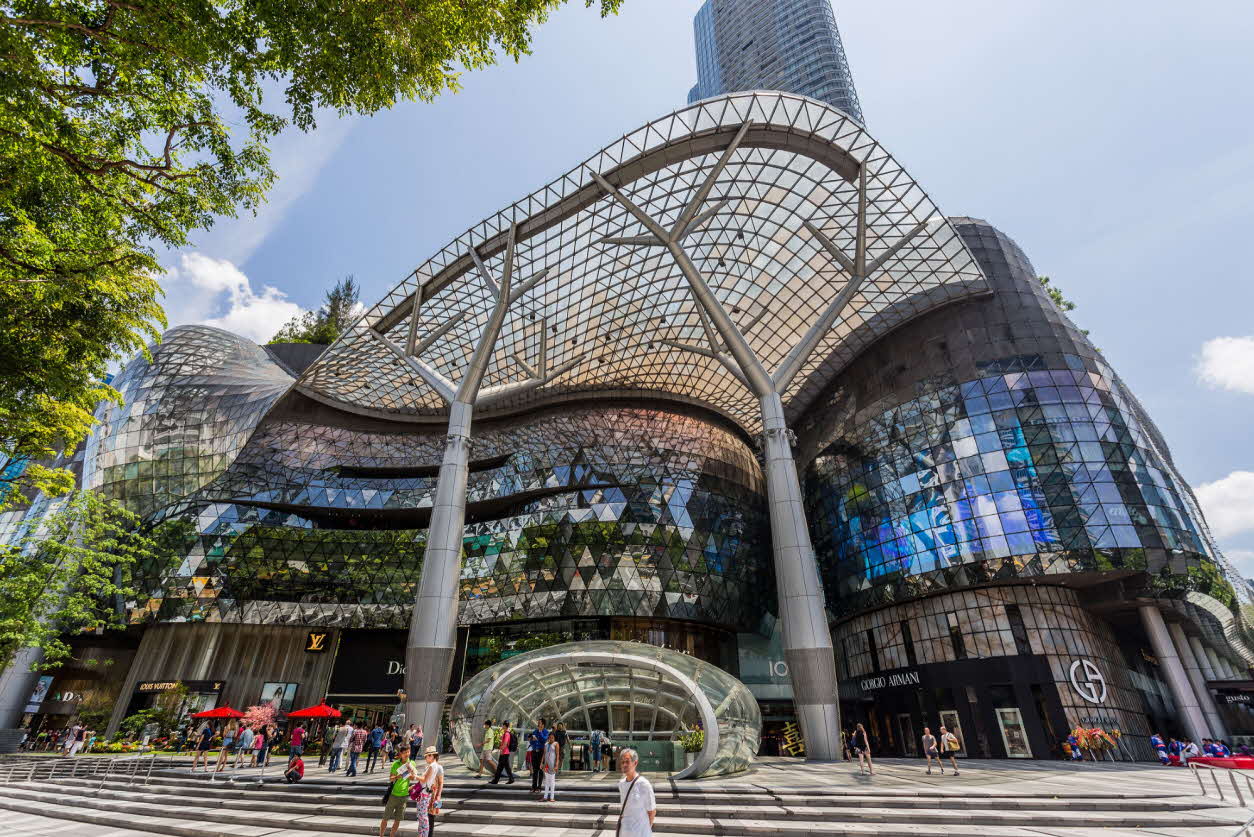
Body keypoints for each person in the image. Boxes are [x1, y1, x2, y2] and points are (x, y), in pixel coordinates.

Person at [380, 742, 419, 837]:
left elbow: (413, 778)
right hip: (393, 795)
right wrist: (398, 776)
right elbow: (391, 778)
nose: (407, 754)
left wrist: (410, 773)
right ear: (400, 753)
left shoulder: (412, 763)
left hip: (404, 796)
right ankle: (381, 835)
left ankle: (392, 836)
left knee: (398, 820)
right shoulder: (395, 764)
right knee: (385, 818)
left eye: (408, 752)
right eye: (404, 752)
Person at [617, 748, 656, 837]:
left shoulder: (644, 784)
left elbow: (652, 811)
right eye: (622, 762)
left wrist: (644, 830)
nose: (624, 765)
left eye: (627, 762)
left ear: (635, 763)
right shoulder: (621, 784)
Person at [419, 746, 445, 835]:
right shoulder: (428, 767)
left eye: (428, 755)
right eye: (426, 756)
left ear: (433, 756)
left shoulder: (439, 767)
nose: (426, 758)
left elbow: (441, 782)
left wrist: (438, 796)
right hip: (426, 794)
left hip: (434, 795)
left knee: (431, 817)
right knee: (425, 818)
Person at [529, 718, 549, 794]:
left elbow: (544, 740)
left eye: (539, 723)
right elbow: (531, 741)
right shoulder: (535, 731)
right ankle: (533, 786)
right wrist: (532, 740)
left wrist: (540, 732)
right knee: (535, 770)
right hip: (534, 751)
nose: (538, 724)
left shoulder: (546, 732)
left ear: (543, 724)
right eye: (538, 723)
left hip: (541, 752)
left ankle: (539, 787)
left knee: (540, 769)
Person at [541, 727, 560, 802]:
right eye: (550, 737)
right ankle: (545, 797)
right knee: (546, 781)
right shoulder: (546, 744)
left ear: (554, 738)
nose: (551, 739)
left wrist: (556, 764)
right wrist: (541, 763)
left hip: (552, 764)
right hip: (546, 764)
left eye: (552, 738)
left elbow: (557, 755)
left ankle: (552, 797)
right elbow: (544, 754)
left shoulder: (556, 744)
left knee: (552, 781)